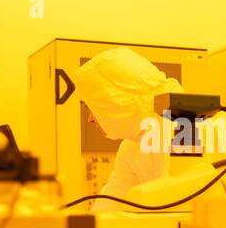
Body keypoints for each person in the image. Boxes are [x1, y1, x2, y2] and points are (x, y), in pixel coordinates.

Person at [71, 47, 182, 211]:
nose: (90, 119)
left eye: (94, 108)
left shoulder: (178, 131)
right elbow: (110, 203)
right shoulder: (131, 147)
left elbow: (173, 210)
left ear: (114, 102)